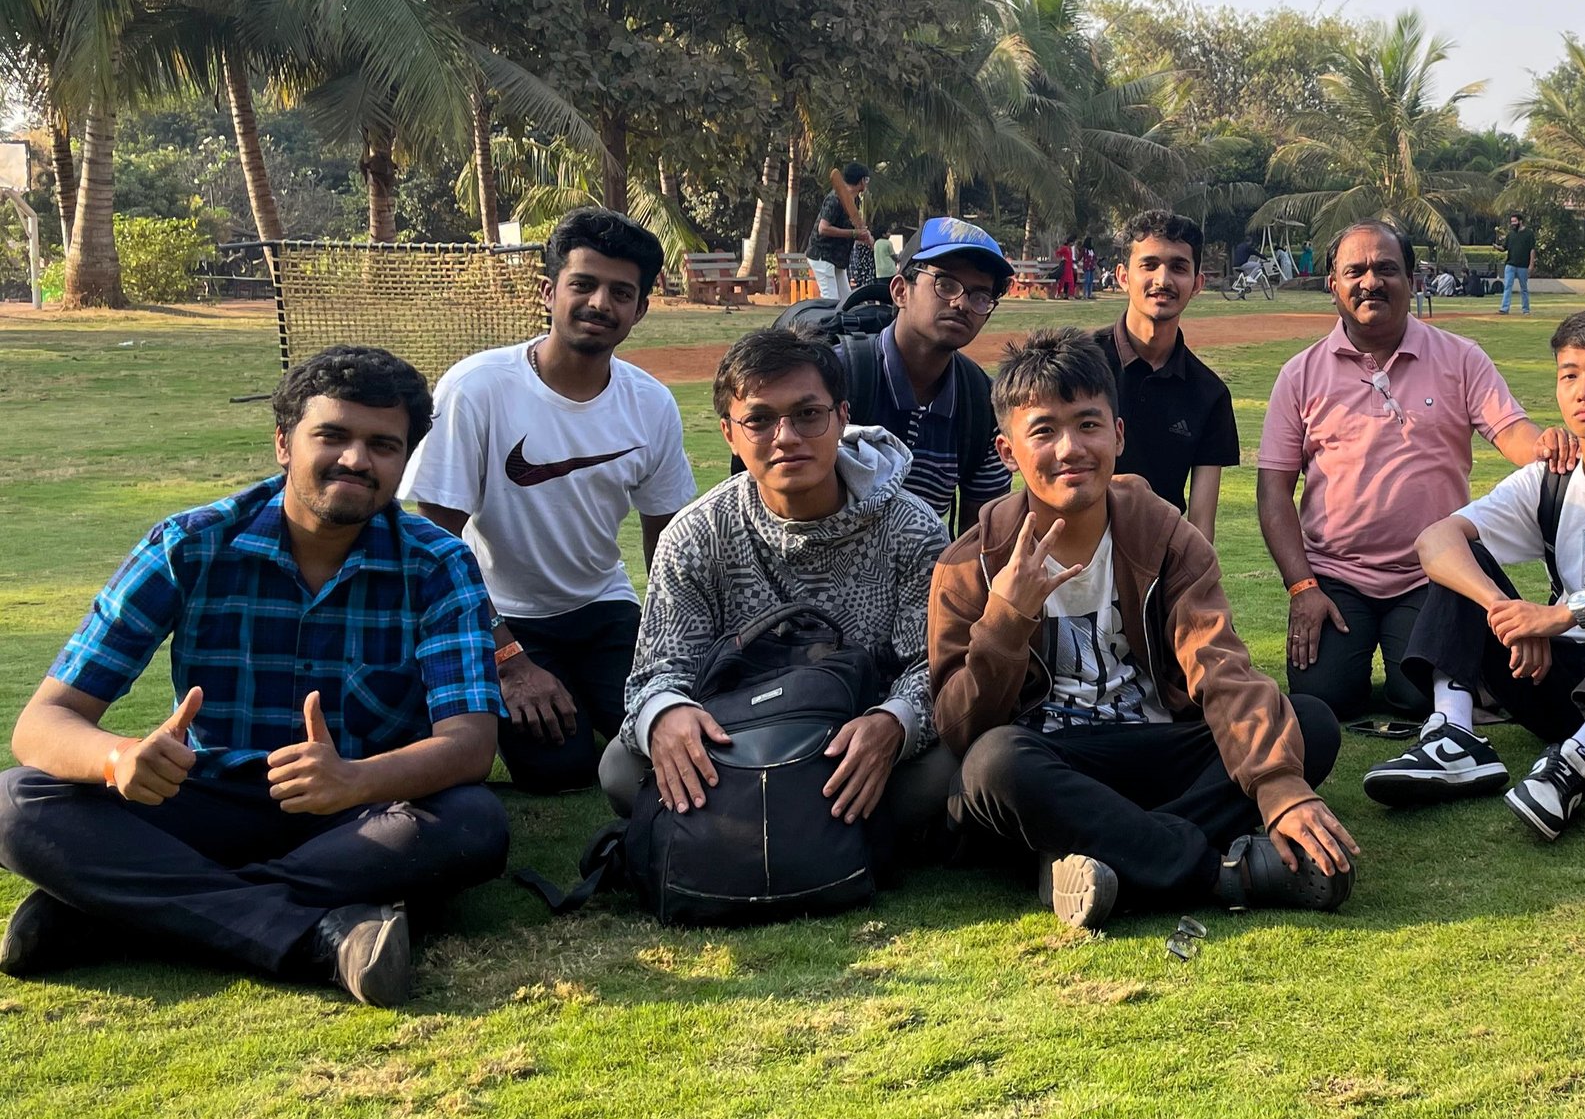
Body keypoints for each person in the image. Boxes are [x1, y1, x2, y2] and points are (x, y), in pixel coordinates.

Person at [0, 347, 507, 1007]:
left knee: (473, 821)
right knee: (16, 801)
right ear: (284, 444)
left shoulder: (438, 563)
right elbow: (42, 723)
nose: (356, 459)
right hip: (208, 795)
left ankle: (118, 911)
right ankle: (321, 937)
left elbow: (469, 744)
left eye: (383, 445)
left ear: (405, 459)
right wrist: (117, 758)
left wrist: (355, 779)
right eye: (333, 435)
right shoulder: (189, 544)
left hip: (356, 812)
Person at [930, 330, 1358, 929]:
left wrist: (1277, 782)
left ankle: (1096, 853)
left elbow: (1218, 662)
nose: (1070, 449)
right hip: (1052, 760)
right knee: (993, 764)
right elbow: (959, 728)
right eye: (1044, 431)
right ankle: (1218, 872)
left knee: (1307, 722)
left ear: (1119, 435)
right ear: (1007, 452)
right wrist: (1005, 620)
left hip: (1154, 746)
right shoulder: (968, 564)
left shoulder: (1166, 536)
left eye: (1088, 425)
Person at [1363, 309, 1585, 839]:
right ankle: (1453, 737)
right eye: (1569, 375)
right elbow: (1434, 541)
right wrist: (1508, 614)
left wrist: (1566, 614)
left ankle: (1575, 763)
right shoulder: (1547, 481)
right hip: (1555, 685)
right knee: (1463, 563)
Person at [602, 330, 956, 872]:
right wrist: (666, 714)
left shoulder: (911, 528)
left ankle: (748, 833)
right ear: (729, 433)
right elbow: (657, 672)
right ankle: (825, 835)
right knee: (620, 769)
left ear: (841, 417)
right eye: (760, 419)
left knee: (947, 762)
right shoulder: (694, 536)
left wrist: (893, 724)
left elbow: (933, 667)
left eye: (808, 414)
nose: (786, 437)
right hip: (741, 745)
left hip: (853, 746)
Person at [404, 208, 697, 795]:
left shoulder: (650, 403)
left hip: (603, 605)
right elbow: (432, 545)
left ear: (640, 309)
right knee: (557, 771)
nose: (600, 304)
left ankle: (590, 695)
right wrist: (508, 660)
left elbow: (667, 541)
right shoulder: (477, 388)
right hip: (506, 614)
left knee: (664, 729)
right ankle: (515, 695)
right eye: (583, 284)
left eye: (621, 293)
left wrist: (670, 647)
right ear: (548, 292)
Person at [1257, 219, 1577, 724]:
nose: (1371, 281)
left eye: (1386, 269)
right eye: (1355, 271)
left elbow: (1510, 430)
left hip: (1431, 574)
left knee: (1419, 698)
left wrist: (1548, 445)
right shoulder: (1300, 374)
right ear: (1333, 285)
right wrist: (1302, 587)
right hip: (1335, 575)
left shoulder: (1460, 357)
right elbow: (1273, 492)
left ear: (1411, 280)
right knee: (1325, 697)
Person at [839, 217, 1016, 535]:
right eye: (945, 284)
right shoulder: (839, 378)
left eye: (980, 296)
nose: (961, 304)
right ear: (900, 291)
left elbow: (980, 537)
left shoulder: (982, 406)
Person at [1089, 210, 1239, 545]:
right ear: (1123, 276)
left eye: (1178, 267)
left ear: (1197, 284)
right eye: (1149, 265)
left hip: (1158, 559)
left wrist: (1194, 575)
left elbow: (1201, 524)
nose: (1163, 280)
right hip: (1075, 554)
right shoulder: (1079, 364)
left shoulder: (1209, 394)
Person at [809, 162, 872, 302]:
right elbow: (823, 228)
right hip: (823, 254)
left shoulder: (855, 200)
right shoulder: (835, 199)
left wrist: (862, 235)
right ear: (862, 181)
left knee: (846, 300)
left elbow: (850, 227)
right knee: (831, 300)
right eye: (866, 180)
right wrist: (854, 234)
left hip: (837, 257)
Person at [1499, 214, 1536, 315]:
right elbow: (1504, 248)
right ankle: (1504, 308)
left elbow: (1532, 250)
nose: (1513, 224)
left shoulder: (1529, 234)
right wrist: (1497, 247)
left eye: (1514, 221)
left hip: (1523, 266)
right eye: (1512, 221)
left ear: (1520, 221)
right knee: (1507, 286)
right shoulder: (1511, 234)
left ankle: (1526, 309)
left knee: (1524, 288)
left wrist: (1531, 264)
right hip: (1510, 264)